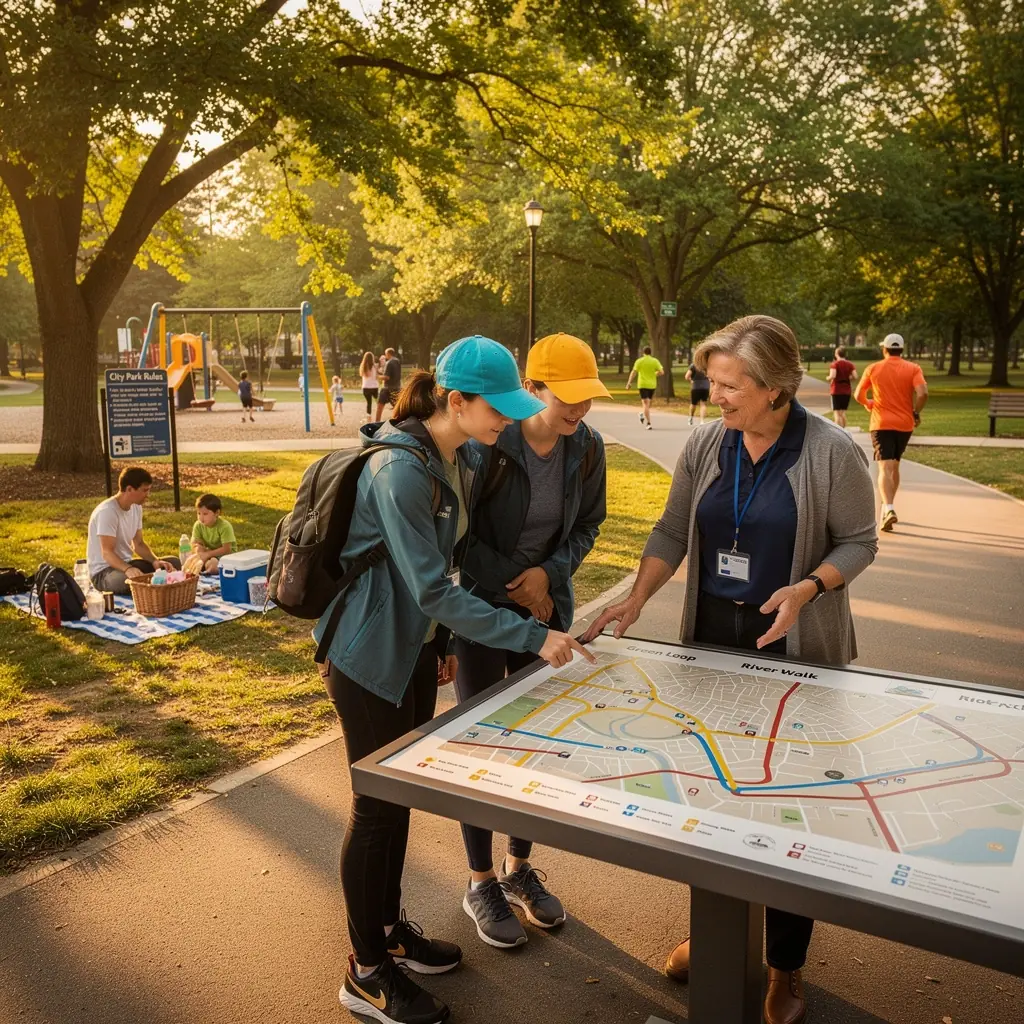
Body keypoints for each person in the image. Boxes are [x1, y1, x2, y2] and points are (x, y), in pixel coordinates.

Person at [584, 315, 877, 1024]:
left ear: (777, 389)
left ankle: (785, 965)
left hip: (795, 650)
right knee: (714, 797)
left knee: (789, 806)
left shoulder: (833, 452)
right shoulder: (707, 441)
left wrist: (808, 588)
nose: (716, 396)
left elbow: (860, 542)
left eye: (730, 385)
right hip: (713, 643)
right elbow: (672, 528)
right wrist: (636, 597)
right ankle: (718, 934)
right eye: (712, 382)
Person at [314, 335, 595, 1024]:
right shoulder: (401, 471)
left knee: (399, 798)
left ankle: (388, 933)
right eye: (495, 406)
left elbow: (450, 559)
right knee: (373, 811)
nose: (506, 419)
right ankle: (366, 973)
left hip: (409, 650)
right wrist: (535, 635)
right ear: (456, 400)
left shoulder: (462, 455)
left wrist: (438, 644)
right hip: (366, 656)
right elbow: (434, 588)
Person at [455, 332, 610, 949]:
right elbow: (461, 537)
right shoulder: (492, 441)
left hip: (546, 603)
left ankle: (519, 869)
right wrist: (516, 586)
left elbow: (589, 524)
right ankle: (480, 880)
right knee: (481, 742)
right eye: (567, 397)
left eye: (587, 398)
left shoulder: (588, 448)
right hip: (483, 608)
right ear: (533, 389)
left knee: (532, 741)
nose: (579, 410)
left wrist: (550, 574)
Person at [854, 333, 928, 532]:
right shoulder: (913, 368)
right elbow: (923, 393)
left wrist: (868, 403)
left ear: (884, 349)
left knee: (885, 467)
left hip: (881, 422)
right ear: (901, 349)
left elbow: (858, 394)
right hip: (905, 424)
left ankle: (888, 508)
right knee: (894, 466)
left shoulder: (874, 368)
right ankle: (889, 506)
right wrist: (915, 411)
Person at [86, 467, 181, 594]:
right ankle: (156, 585)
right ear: (129, 489)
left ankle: (156, 582)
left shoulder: (136, 507)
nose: (148, 495)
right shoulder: (107, 512)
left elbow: (139, 544)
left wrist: (155, 561)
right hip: (104, 573)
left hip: (128, 564)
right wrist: (128, 569)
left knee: (173, 563)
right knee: (135, 582)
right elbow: (107, 552)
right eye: (144, 490)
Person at [190, 493, 236, 574]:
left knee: (214, 564)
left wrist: (207, 554)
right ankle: (205, 568)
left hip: (226, 557)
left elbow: (226, 549)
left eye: (205, 514)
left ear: (217, 513)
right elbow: (194, 544)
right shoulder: (198, 525)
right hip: (209, 556)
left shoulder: (225, 526)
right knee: (197, 554)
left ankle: (209, 568)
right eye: (198, 513)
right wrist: (198, 548)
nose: (201, 518)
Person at [626, 345, 664, 429]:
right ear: (651, 352)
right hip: (652, 385)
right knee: (647, 403)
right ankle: (648, 423)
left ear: (643, 353)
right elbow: (661, 372)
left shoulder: (639, 361)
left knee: (646, 404)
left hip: (642, 384)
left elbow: (634, 372)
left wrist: (629, 382)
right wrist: (654, 374)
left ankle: (642, 414)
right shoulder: (655, 361)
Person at [827, 346, 858, 428]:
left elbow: (833, 375)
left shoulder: (835, 364)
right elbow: (855, 376)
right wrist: (847, 377)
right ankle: (844, 430)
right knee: (843, 412)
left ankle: (838, 431)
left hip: (836, 390)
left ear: (837, 354)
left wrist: (828, 378)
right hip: (846, 390)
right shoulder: (850, 364)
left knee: (837, 413)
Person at [375, 346, 402, 421]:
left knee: (380, 406)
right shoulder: (397, 361)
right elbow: (392, 374)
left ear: (388, 354)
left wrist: (377, 376)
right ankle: (399, 422)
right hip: (397, 387)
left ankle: (377, 422)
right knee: (397, 407)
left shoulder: (389, 362)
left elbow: (387, 377)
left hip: (387, 388)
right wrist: (379, 372)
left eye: (386, 354)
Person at [684, 360, 710, 424]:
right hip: (705, 386)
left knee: (693, 403)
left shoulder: (693, 365)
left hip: (696, 386)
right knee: (703, 404)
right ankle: (702, 421)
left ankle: (691, 417)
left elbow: (687, 376)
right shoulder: (707, 366)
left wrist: (691, 380)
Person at [359, 351, 379, 421]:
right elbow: (376, 376)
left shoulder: (363, 365)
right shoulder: (374, 366)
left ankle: (369, 418)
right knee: (378, 401)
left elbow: (366, 375)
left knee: (369, 403)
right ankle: (378, 416)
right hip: (374, 387)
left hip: (366, 387)